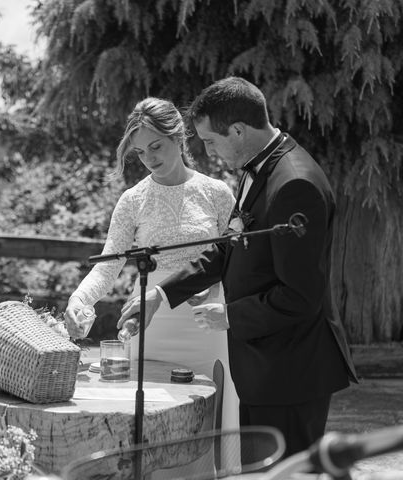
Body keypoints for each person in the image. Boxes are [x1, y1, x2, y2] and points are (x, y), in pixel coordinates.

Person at [118, 77, 358, 458]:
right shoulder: (257, 168)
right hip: (264, 367)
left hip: (290, 372)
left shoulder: (294, 183)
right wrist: (161, 294)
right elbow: (228, 248)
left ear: (238, 130)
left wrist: (230, 315)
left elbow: (300, 296)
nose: (209, 152)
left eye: (211, 141)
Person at [64, 97, 239, 450]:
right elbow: (108, 264)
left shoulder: (217, 193)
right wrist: (79, 298)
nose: (150, 158)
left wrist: (223, 293)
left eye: (156, 146)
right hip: (150, 324)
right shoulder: (133, 199)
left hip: (207, 325)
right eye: (141, 152)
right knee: (154, 430)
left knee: (209, 432)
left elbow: (235, 259)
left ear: (179, 137)